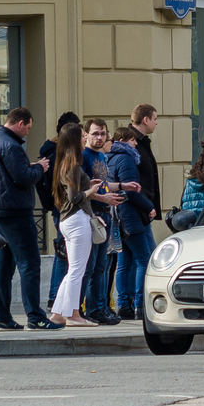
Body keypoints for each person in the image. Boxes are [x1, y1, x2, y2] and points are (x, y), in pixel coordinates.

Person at [47, 123, 121, 328]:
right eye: (82, 136)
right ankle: (73, 314)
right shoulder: (72, 165)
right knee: (77, 271)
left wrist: (89, 185)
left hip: (69, 220)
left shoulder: (66, 163)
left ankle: (58, 314)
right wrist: (90, 191)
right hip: (77, 220)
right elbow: (76, 197)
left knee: (74, 270)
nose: (85, 138)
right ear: (73, 139)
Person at [0, 107, 51, 330]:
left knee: (3, 266)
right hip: (16, 212)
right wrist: (40, 168)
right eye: (28, 128)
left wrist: (29, 167)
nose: (28, 133)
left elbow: (6, 173)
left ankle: (2, 317)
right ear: (20, 124)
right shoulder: (11, 145)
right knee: (29, 263)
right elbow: (22, 178)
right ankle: (35, 317)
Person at [106, 127, 156, 319]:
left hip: (117, 216)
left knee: (124, 262)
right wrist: (148, 206)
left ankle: (124, 305)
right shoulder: (126, 158)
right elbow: (131, 190)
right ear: (123, 141)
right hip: (129, 216)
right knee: (144, 259)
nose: (135, 144)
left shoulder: (109, 158)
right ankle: (140, 305)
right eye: (132, 140)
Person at [81, 120, 124, 326]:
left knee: (102, 266)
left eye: (103, 134)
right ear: (86, 134)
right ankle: (91, 309)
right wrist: (104, 198)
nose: (99, 138)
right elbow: (81, 192)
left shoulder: (101, 156)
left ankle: (101, 307)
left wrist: (122, 186)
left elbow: (104, 184)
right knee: (91, 267)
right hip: (92, 215)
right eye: (95, 133)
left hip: (106, 215)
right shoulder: (83, 156)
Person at [41, 112, 81, 307]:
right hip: (66, 211)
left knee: (63, 255)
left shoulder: (50, 152)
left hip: (58, 210)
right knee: (65, 257)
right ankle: (56, 298)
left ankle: (54, 297)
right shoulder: (61, 155)